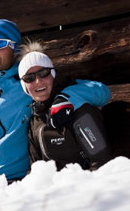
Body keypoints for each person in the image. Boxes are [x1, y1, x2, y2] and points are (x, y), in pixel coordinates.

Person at [0, 19, 110, 186]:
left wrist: (66, 98)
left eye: (0, 43)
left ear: (15, 49)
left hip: (24, 182)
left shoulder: (30, 80)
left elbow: (99, 91)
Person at [18, 41, 112, 170]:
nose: (38, 81)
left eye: (43, 73)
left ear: (53, 75)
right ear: (25, 87)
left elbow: (101, 163)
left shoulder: (78, 109)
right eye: (29, 78)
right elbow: (36, 172)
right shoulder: (34, 121)